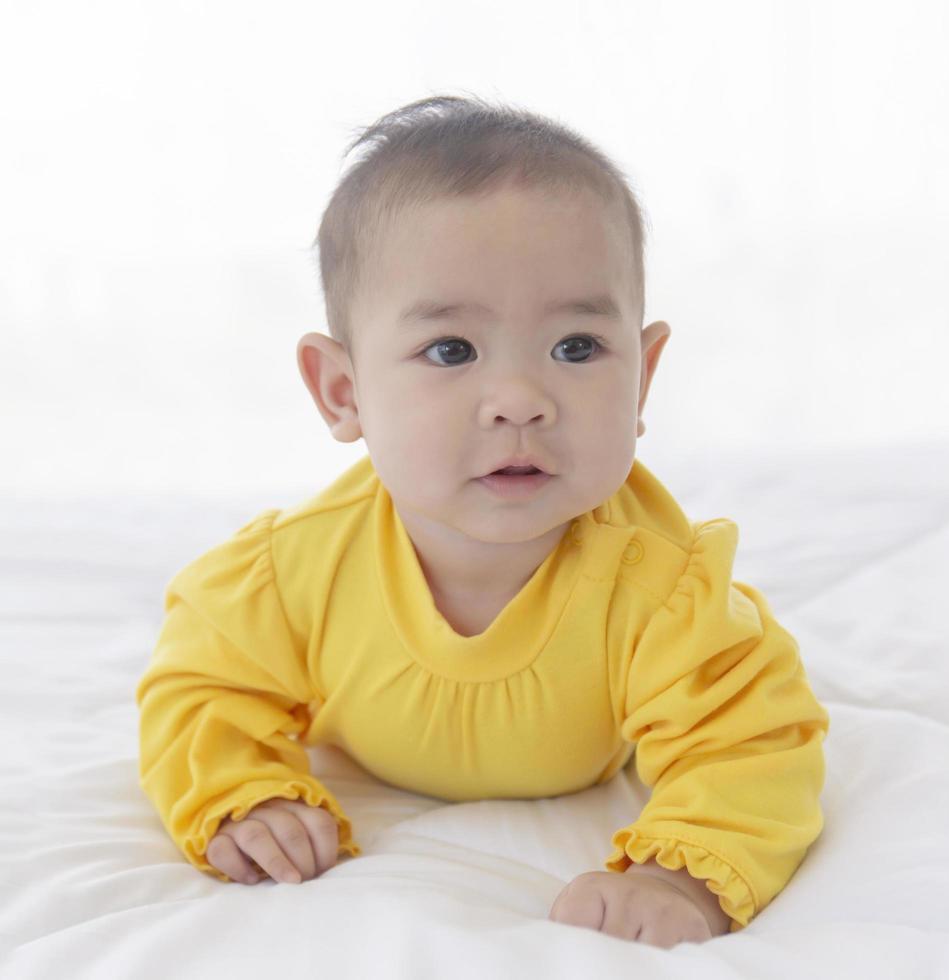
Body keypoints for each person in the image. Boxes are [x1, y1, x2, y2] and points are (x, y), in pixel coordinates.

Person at [134, 93, 830, 948]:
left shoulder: (663, 586)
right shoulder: (296, 572)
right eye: (451, 351)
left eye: (576, 347)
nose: (520, 402)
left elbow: (754, 744)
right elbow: (202, 684)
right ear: (343, 392)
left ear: (643, 379)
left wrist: (681, 873)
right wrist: (244, 791)